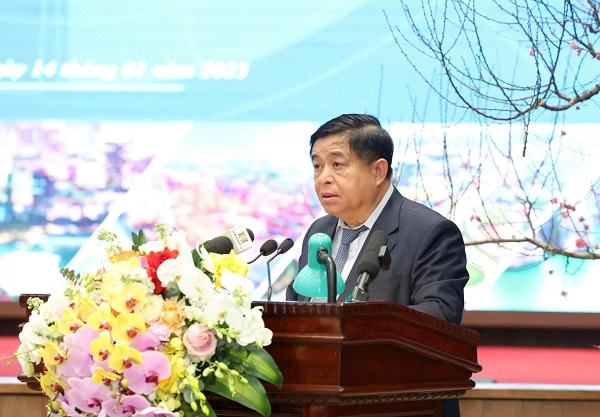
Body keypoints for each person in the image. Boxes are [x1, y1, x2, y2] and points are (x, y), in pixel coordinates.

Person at [285, 113, 469, 417]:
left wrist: (358, 328)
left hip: (400, 405)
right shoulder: (319, 232)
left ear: (378, 171)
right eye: (317, 166)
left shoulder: (430, 232)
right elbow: (298, 305)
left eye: (337, 164)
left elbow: (441, 317)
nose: (323, 177)